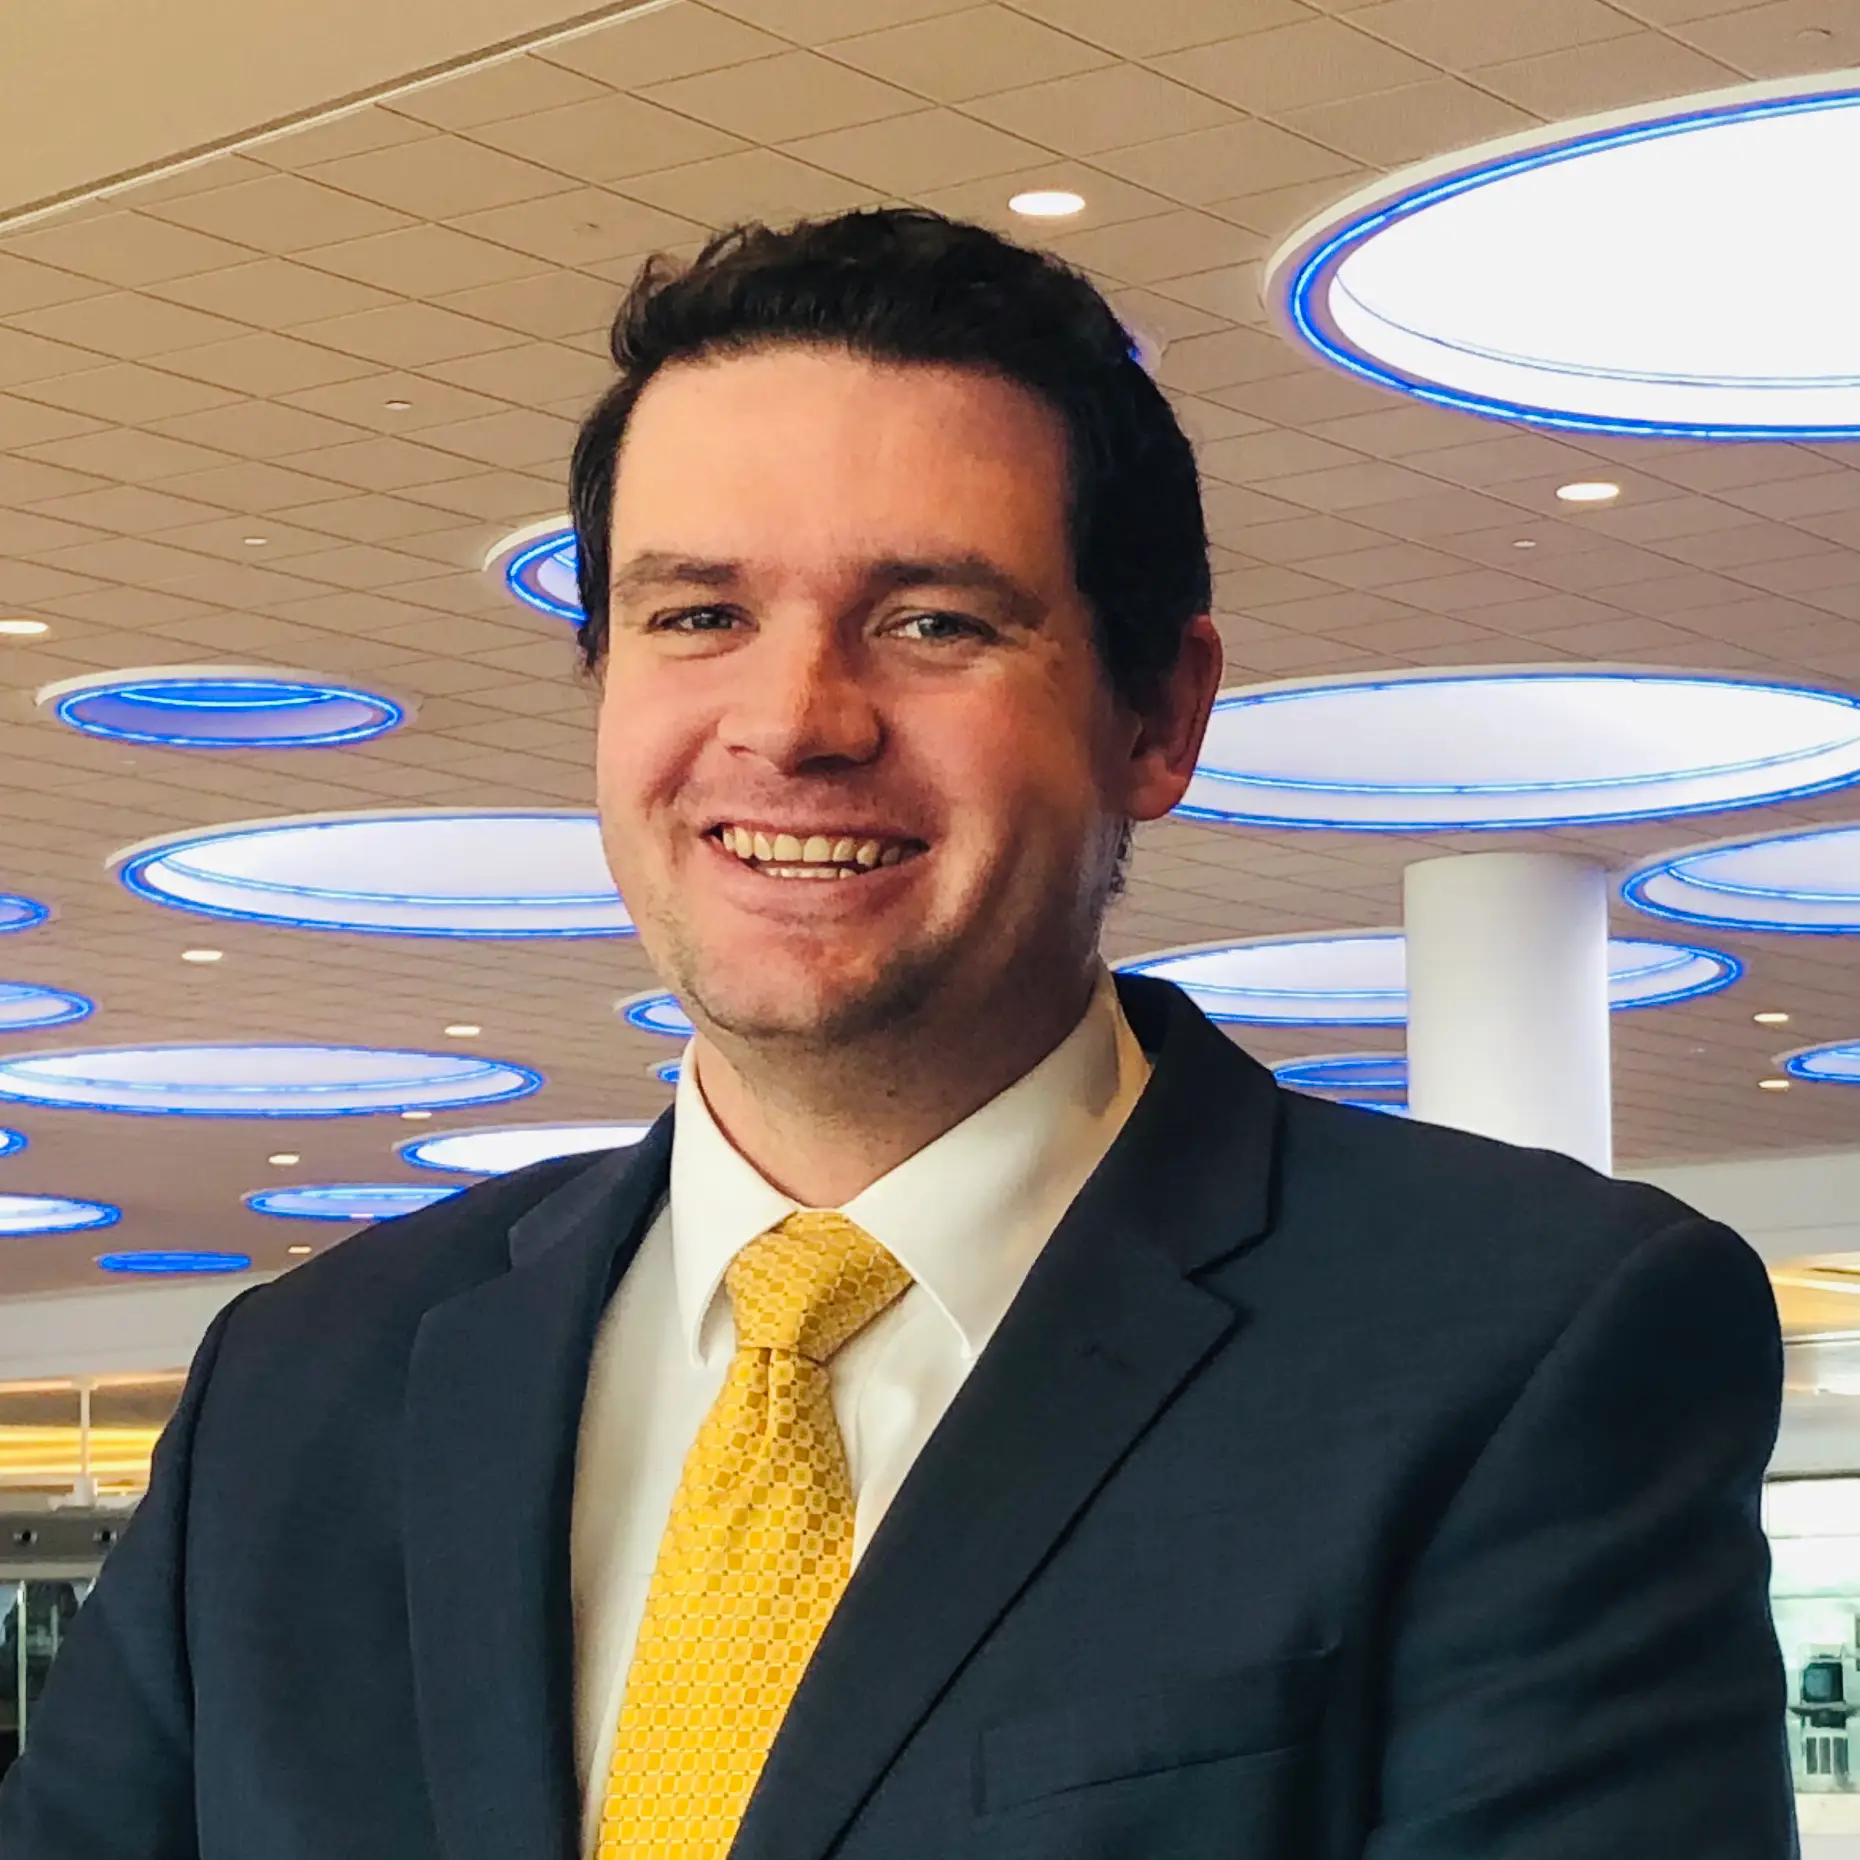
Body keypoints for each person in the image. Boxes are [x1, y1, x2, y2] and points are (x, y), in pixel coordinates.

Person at [0, 209, 1792, 1859]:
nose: (792, 722)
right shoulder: (307, 1385)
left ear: (1160, 715)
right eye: (696, 615)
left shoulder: (1522, 1343)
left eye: (934, 621)